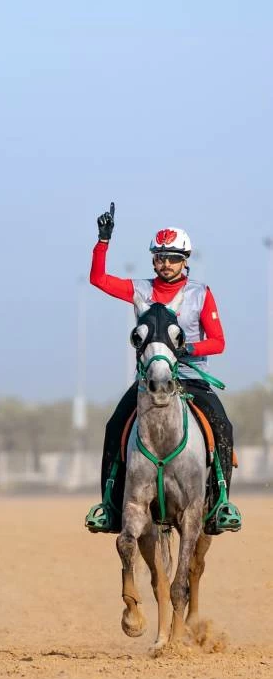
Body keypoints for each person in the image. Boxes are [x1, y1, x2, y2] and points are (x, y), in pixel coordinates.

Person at [85, 203, 241, 535]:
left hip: (190, 379)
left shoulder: (200, 294)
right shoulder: (140, 289)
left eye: (172, 257)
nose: (165, 263)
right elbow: (97, 279)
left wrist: (187, 349)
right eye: (159, 257)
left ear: (185, 260)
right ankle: (109, 508)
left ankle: (221, 504)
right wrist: (103, 241)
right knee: (115, 427)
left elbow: (218, 341)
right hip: (150, 381)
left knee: (223, 427)